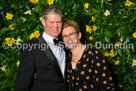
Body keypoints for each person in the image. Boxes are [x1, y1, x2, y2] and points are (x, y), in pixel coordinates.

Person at [15, 5, 67, 91]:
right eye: (51, 22)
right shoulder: (30, 49)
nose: (56, 26)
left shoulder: (66, 43)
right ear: (43, 22)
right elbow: (21, 87)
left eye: (59, 22)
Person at [61, 19, 116, 91]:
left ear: (79, 35)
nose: (68, 38)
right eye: (65, 36)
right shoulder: (66, 58)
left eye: (71, 34)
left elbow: (108, 87)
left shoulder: (93, 54)